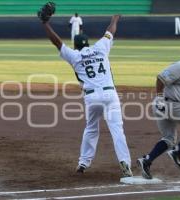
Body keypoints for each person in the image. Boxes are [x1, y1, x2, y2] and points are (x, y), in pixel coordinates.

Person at [37, 5, 133, 178]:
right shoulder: (101, 48)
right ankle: (125, 162)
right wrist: (115, 18)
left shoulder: (74, 56)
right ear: (88, 42)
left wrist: (45, 23)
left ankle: (83, 163)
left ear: (76, 45)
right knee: (117, 130)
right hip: (110, 95)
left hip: (92, 98)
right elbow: (110, 31)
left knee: (91, 129)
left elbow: (57, 42)